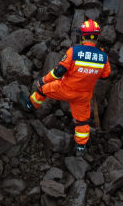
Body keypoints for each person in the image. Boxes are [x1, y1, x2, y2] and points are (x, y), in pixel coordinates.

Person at [19, 19, 111, 154]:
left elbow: (58, 72)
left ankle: (30, 105)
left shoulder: (74, 51)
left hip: (64, 89)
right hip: (83, 96)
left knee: (42, 90)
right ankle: (80, 147)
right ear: (96, 37)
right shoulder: (103, 57)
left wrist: (43, 80)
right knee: (82, 121)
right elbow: (106, 76)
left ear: (82, 36)